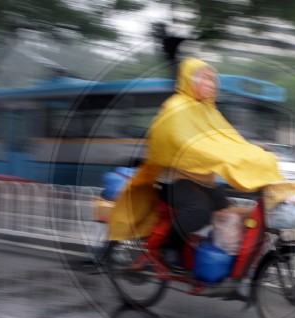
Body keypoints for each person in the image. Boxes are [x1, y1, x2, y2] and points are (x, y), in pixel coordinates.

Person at [108, 57, 284, 270]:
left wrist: (253, 153)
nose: (211, 84)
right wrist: (213, 155)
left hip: (202, 180)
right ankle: (168, 247)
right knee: (200, 211)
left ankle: (223, 260)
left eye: (213, 79)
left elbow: (230, 140)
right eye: (205, 79)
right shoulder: (175, 107)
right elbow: (178, 141)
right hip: (173, 182)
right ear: (189, 81)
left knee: (227, 211)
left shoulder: (210, 111)